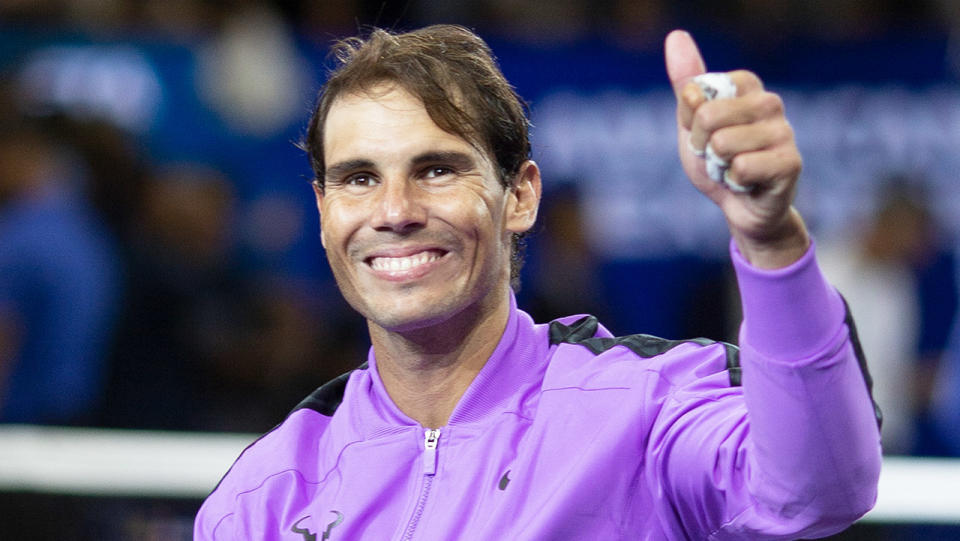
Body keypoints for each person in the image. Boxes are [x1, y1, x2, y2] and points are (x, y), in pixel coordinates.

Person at [195, 25, 881, 540]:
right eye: (359, 178)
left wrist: (769, 237)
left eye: (437, 169)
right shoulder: (268, 494)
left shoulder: (647, 407)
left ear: (519, 196)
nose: (395, 212)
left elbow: (818, 487)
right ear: (323, 211)